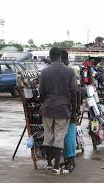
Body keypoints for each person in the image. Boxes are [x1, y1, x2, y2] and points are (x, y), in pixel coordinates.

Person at [39, 47, 76, 175]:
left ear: (50, 56)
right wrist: (74, 108)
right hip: (63, 108)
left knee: (48, 136)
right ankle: (56, 167)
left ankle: (49, 164)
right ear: (60, 56)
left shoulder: (44, 72)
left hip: (48, 108)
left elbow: (41, 92)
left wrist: (47, 102)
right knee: (59, 137)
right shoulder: (70, 71)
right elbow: (73, 91)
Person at [60, 49, 79, 172]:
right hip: (70, 108)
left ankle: (69, 160)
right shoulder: (71, 71)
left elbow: (74, 92)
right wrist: (76, 108)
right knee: (69, 134)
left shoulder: (66, 72)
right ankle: (69, 159)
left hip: (63, 108)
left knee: (67, 135)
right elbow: (76, 91)